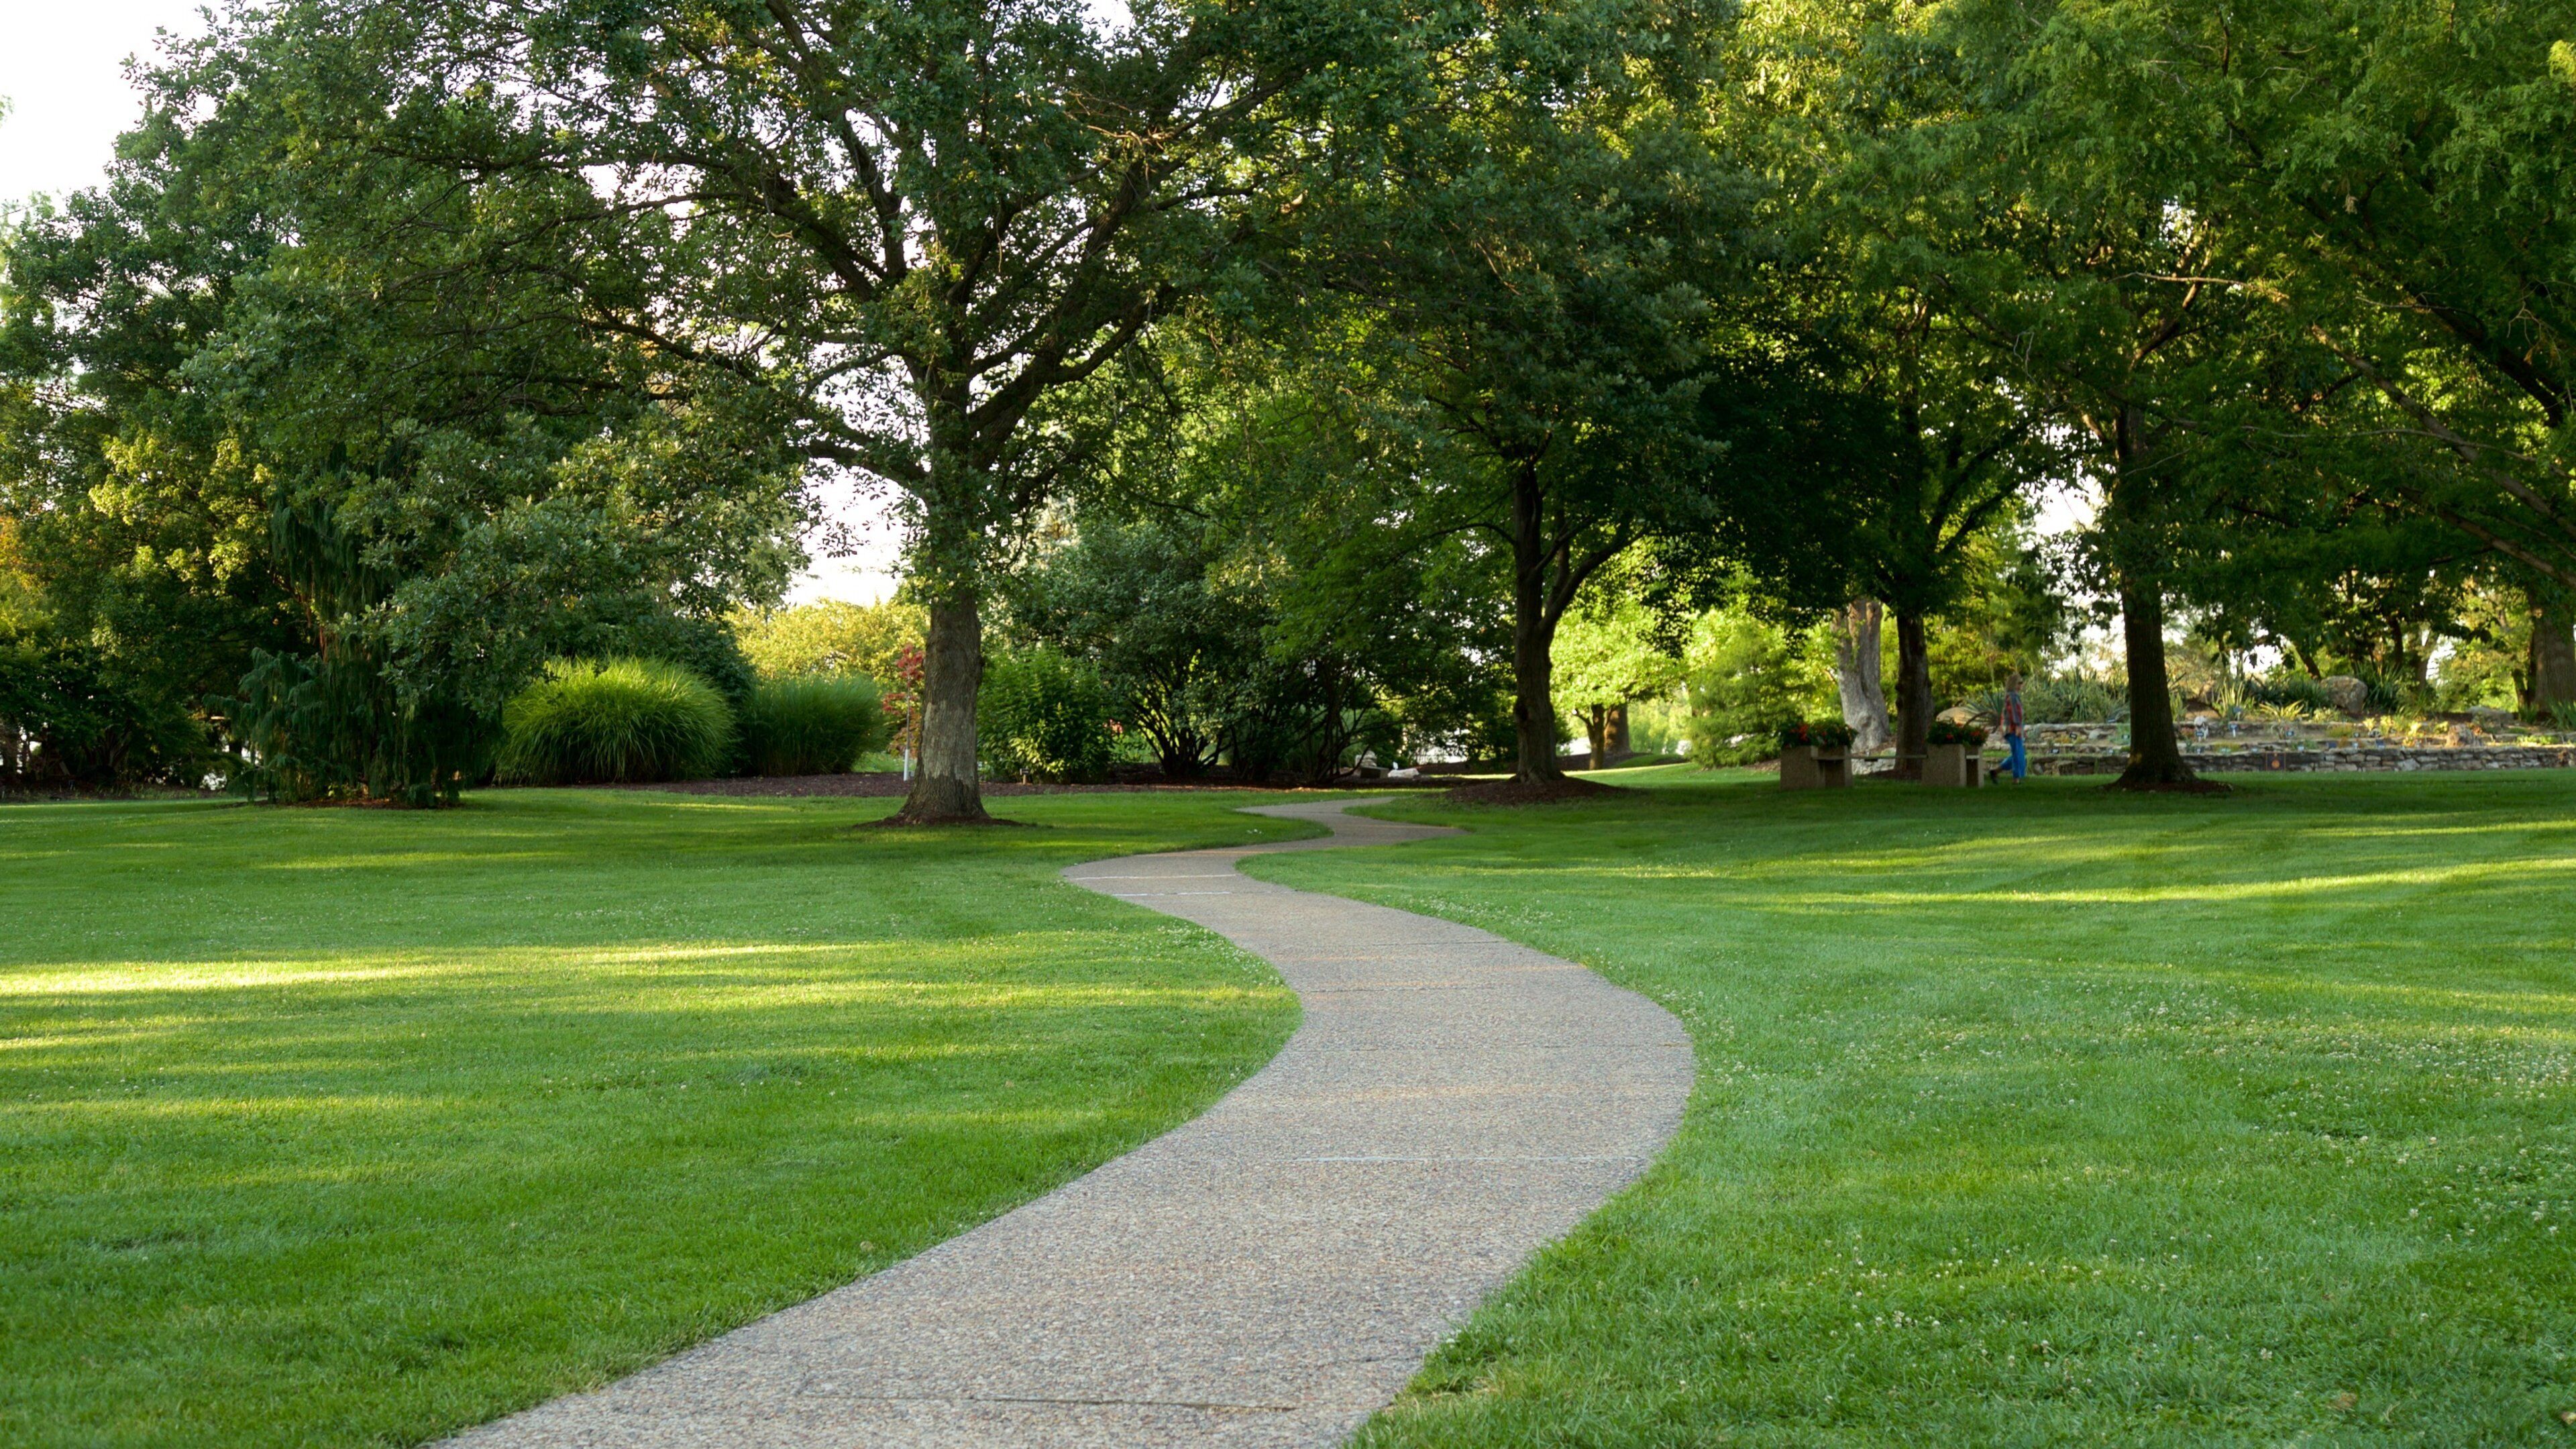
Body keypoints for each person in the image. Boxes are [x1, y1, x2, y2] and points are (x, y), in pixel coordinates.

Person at [2002, 672, 2027, 782]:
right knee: (2017, 754)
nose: (2022, 685)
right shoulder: (2012, 697)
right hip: (2013, 729)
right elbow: (2014, 713)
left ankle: (1996, 771)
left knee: (2018, 753)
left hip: (2014, 728)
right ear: (2014, 684)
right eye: (2020, 683)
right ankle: (2016, 778)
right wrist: (2018, 727)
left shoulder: (2014, 696)